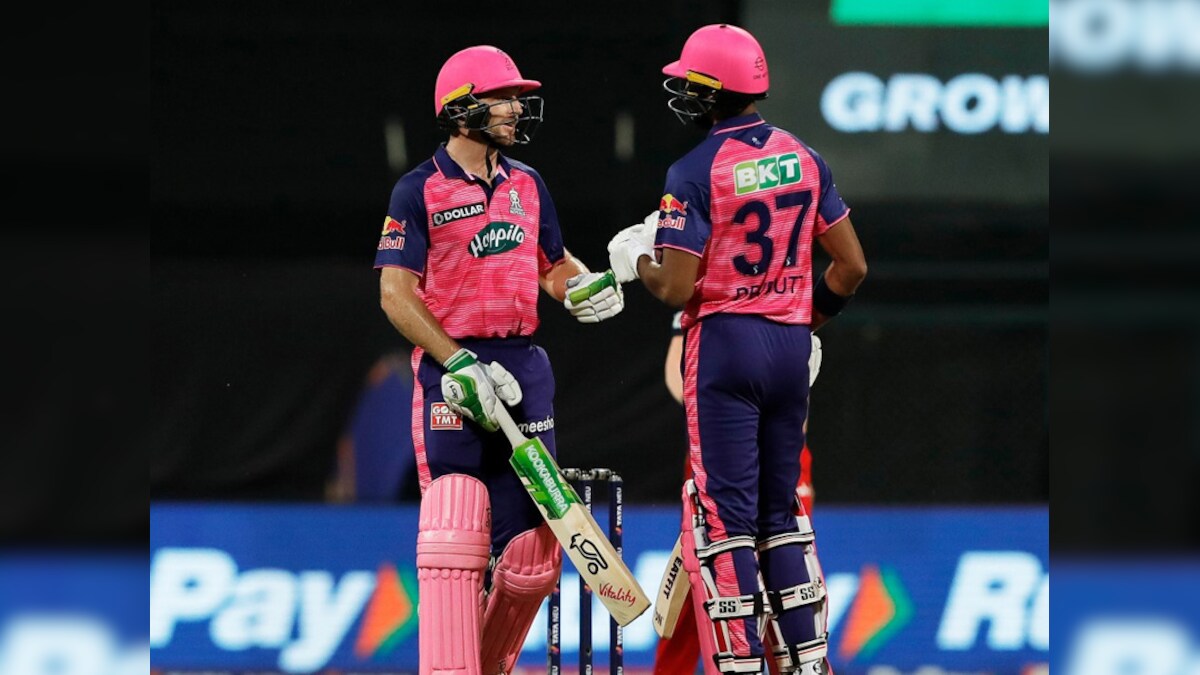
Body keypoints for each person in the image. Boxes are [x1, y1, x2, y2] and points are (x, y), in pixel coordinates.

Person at [608, 24, 867, 674]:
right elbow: (852, 267)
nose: (683, 92)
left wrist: (636, 257)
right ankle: (808, 662)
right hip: (788, 345)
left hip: (725, 346)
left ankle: (742, 665)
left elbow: (675, 287)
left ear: (712, 90)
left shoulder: (693, 171)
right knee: (783, 515)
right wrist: (806, 321)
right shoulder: (805, 156)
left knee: (724, 521)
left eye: (691, 82)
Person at [374, 45, 624, 675]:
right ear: (462, 109)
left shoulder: (528, 183)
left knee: (533, 557)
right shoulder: (417, 190)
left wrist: (580, 285)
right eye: (502, 98)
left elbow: (552, 264)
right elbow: (395, 293)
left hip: (524, 367)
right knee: (455, 532)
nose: (515, 108)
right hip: (452, 371)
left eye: (516, 98)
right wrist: (458, 362)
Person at [655, 313, 821, 675]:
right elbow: (678, 369)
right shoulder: (707, 287)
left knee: (790, 578)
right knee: (706, 580)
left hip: (781, 451)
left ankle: (798, 666)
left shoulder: (793, 289)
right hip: (722, 445)